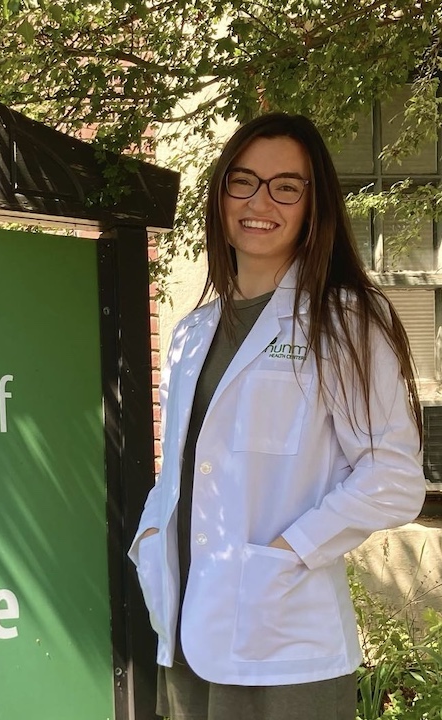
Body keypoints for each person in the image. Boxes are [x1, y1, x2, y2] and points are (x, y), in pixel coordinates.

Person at [128, 112, 426, 720]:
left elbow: (393, 479)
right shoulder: (192, 332)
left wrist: (289, 552)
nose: (260, 201)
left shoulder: (345, 323)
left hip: (284, 635)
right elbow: (181, 472)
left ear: (314, 206)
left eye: (286, 186)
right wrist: (152, 536)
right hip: (185, 627)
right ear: (221, 194)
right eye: (243, 181)